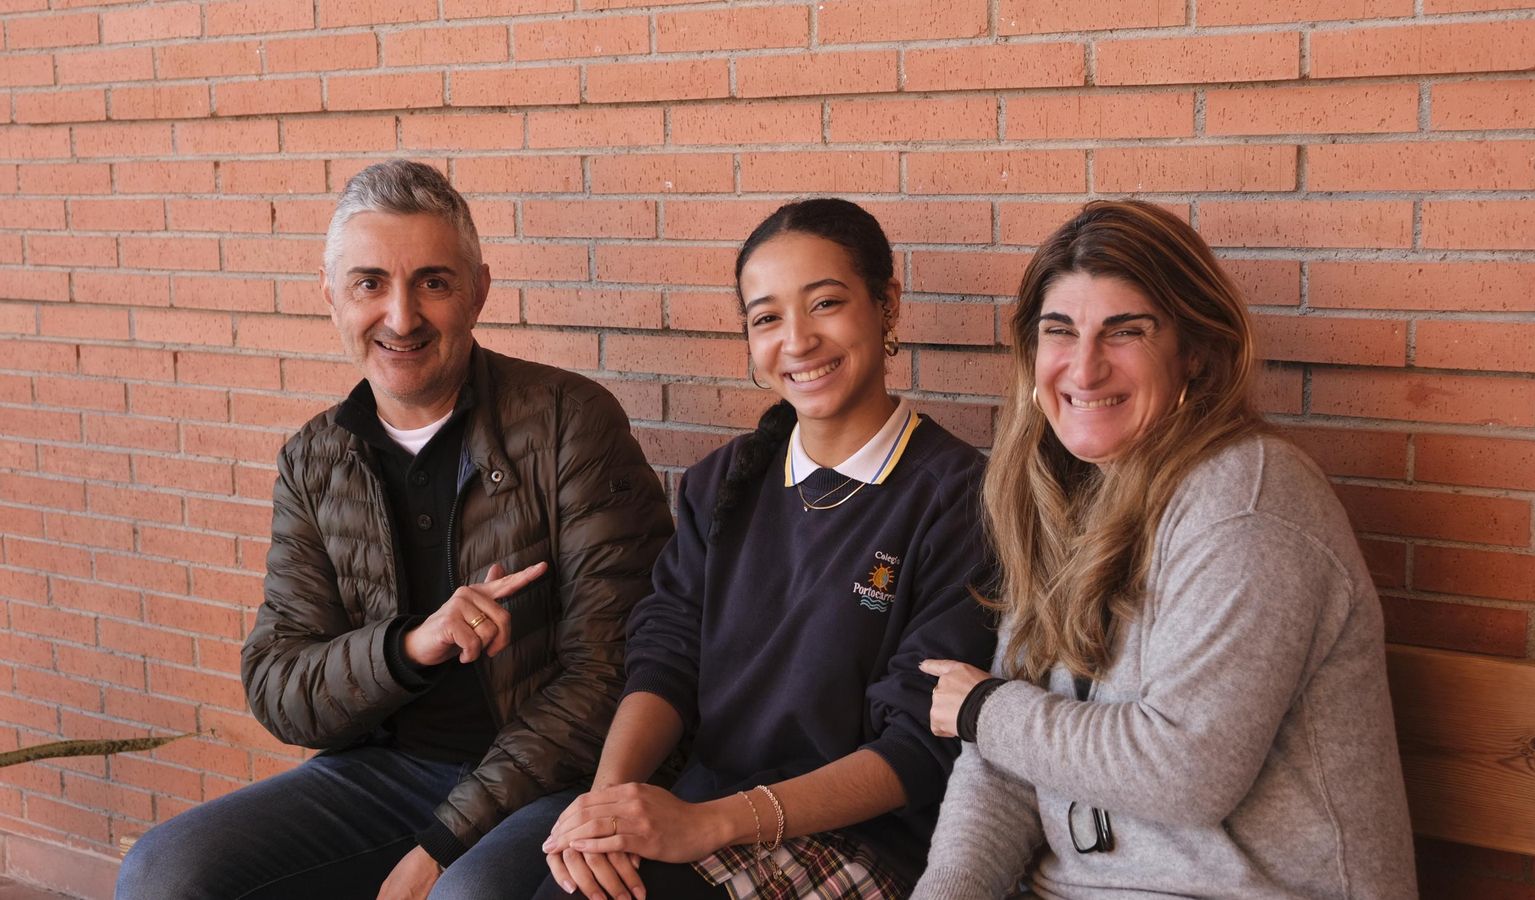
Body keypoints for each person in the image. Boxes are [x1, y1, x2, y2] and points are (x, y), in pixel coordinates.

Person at [115, 160, 673, 900]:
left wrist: (440, 846)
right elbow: (281, 686)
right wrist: (410, 647)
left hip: (548, 775)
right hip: (383, 776)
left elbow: (612, 672)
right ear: (332, 296)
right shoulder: (317, 458)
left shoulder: (570, 422)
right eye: (370, 283)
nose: (402, 317)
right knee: (162, 872)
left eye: (433, 283)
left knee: (462, 896)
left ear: (478, 291)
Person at [915, 200, 1417, 899]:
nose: (1084, 369)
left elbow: (1186, 772)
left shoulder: (1248, 499)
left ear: (1195, 354)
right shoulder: (1066, 495)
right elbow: (1002, 770)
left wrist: (986, 710)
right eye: (1060, 331)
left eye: (1125, 332)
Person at [532, 198, 996, 900]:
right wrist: (607, 808)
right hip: (704, 806)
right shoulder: (721, 483)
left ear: (886, 304)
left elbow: (917, 747)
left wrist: (711, 824)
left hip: (864, 839)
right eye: (768, 318)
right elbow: (667, 657)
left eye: (826, 304)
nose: (799, 340)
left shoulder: (959, 498)